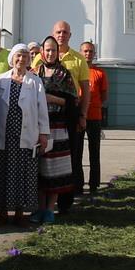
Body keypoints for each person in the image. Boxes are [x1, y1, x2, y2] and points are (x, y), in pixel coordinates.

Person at [0, 45, 48, 224]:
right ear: (12, 58)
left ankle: (20, 212)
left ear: (29, 60)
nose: (21, 60)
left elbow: (42, 109)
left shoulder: (35, 82)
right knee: (2, 173)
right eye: (18, 56)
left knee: (23, 174)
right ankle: (3, 212)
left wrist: (43, 133)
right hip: (3, 134)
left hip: (26, 135)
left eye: (24, 57)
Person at [34, 36, 80, 222]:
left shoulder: (64, 74)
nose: (50, 53)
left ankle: (50, 210)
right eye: (47, 50)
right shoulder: (35, 72)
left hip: (58, 126)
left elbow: (72, 101)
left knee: (55, 169)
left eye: (53, 50)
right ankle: (39, 208)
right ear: (42, 52)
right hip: (38, 127)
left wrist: (52, 99)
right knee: (39, 167)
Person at [51, 21, 91, 211]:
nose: (61, 35)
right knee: (48, 156)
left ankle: (66, 202)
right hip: (48, 115)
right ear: (53, 33)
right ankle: (46, 201)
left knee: (71, 157)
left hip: (70, 113)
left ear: (70, 35)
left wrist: (82, 115)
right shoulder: (43, 56)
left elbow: (85, 90)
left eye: (65, 32)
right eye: (58, 32)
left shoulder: (77, 59)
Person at [80, 40, 107, 194]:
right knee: (77, 152)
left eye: (90, 51)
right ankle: (77, 184)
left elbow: (104, 96)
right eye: (85, 51)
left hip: (95, 117)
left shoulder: (100, 73)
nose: (88, 54)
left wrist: (93, 105)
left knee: (94, 152)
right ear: (81, 52)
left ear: (94, 54)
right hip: (79, 116)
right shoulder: (77, 71)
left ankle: (94, 184)